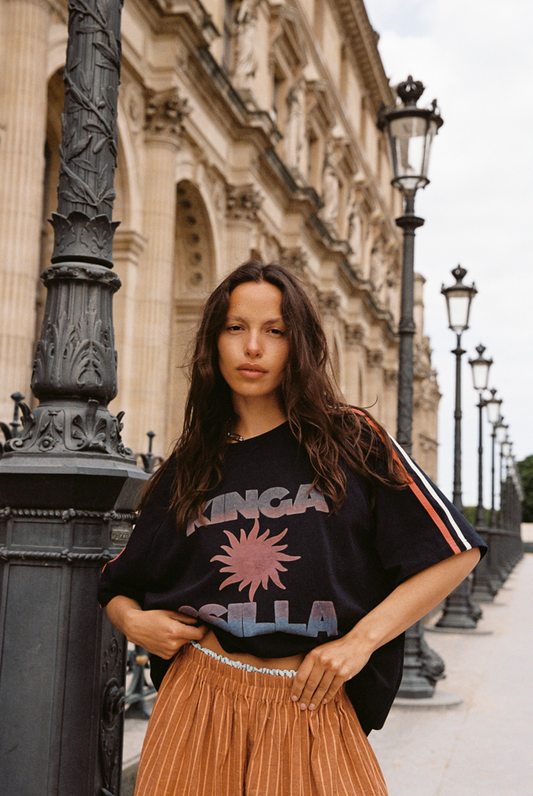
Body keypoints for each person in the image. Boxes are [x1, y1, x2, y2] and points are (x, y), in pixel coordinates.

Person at [98, 261, 486, 796]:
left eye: (274, 331)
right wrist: (135, 625)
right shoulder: (191, 464)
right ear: (214, 342)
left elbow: (456, 553)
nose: (252, 347)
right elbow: (117, 585)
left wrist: (359, 643)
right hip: (198, 704)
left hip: (311, 703)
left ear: (297, 344)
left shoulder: (351, 438)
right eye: (236, 328)